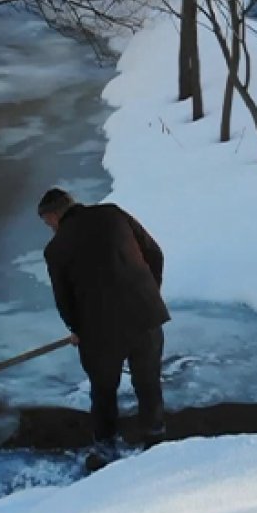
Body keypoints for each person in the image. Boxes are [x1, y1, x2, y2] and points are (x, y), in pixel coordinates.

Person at [37, 187, 169, 470]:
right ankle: (155, 444)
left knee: (104, 389)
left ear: (54, 215)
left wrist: (77, 327)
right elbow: (154, 254)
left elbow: (64, 298)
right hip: (145, 315)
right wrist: (149, 294)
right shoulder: (114, 214)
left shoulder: (56, 248)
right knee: (148, 382)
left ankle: (106, 449)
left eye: (47, 222)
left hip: (100, 331)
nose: (49, 228)